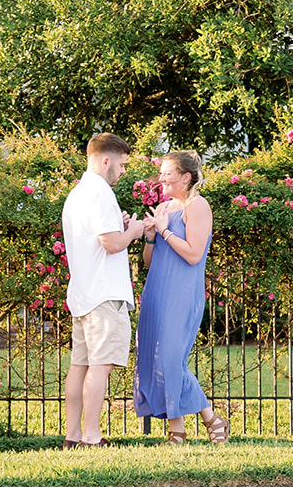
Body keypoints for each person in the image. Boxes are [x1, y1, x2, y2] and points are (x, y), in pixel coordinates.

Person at [61, 132, 150, 447]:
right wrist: (136, 231)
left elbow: (100, 236)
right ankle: (92, 436)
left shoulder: (78, 194)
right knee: (100, 367)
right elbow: (111, 243)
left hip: (84, 293)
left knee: (79, 366)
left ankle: (72, 436)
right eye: (122, 165)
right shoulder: (100, 193)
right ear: (106, 160)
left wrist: (121, 227)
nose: (123, 171)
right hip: (104, 295)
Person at [134, 150, 228, 444]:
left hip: (182, 293)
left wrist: (164, 230)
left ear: (186, 178)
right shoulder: (163, 208)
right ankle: (177, 431)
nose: (161, 178)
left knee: (173, 360)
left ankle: (212, 419)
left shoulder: (198, 206)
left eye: (167, 173)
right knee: (158, 359)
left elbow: (193, 254)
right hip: (156, 292)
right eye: (161, 173)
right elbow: (150, 261)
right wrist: (151, 235)